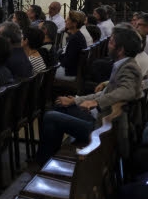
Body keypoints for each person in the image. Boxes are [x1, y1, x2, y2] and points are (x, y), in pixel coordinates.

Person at [34, 26, 142, 165]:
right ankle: (49, 158)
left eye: (111, 42)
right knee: (60, 105)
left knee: (50, 117)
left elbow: (128, 91)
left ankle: (43, 163)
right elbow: (104, 93)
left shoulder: (129, 67)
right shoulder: (122, 64)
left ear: (120, 50)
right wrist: (76, 100)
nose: (108, 45)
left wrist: (96, 103)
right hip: (102, 118)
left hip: (102, 128)